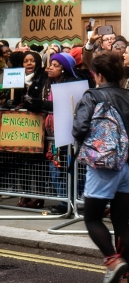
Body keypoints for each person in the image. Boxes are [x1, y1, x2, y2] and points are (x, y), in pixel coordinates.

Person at [73, 52, 129, 283]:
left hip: (105, 164)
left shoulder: (92, 96)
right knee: (120, 220)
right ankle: (125, 276)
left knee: (92, 217)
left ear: (98, 75)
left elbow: (79, 128)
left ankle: (113, 260)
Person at [25, 52, 87, 215]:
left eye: (55, 65)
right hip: (53, 135)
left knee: (72, 171)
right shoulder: (47, 84)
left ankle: (71, 200)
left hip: (70, 135)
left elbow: (64, 105)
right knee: (55, 168)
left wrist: (42, 104)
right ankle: (63, 201)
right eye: (50, 64)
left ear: (64, 69)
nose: (50, 68)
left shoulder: (74, 83)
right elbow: (43, 104)